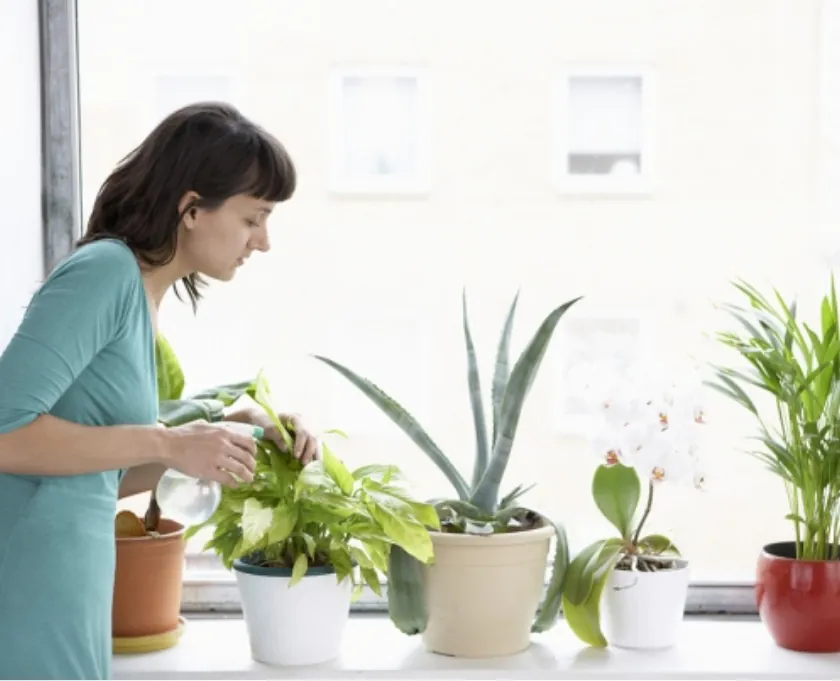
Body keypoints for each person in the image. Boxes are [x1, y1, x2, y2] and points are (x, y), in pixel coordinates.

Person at [0, 102, 320, 680]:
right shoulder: (104, 273)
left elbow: (99, 473)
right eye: (254, 218)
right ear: (192, 208)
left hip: (68, 574)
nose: (264, 241)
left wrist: (233, 435)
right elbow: (5, 435)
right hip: (27, 575)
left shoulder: (140, 295)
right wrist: (169, 443)